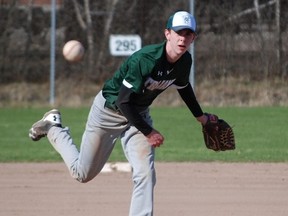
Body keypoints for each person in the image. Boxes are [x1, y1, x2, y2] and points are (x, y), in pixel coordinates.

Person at [29, 11, 208, 216]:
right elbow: (123, 101)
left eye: (188, 34)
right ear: (167, 33)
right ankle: (53, 127)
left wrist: (201, 118)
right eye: (178, 32)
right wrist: (149, 132)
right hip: (108, 113)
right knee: (82, 174)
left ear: (194, 37)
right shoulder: (145, 60)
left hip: (138, 115)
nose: (183, 38)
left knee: (145, 173)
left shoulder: (185, 61)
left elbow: (184, 88)